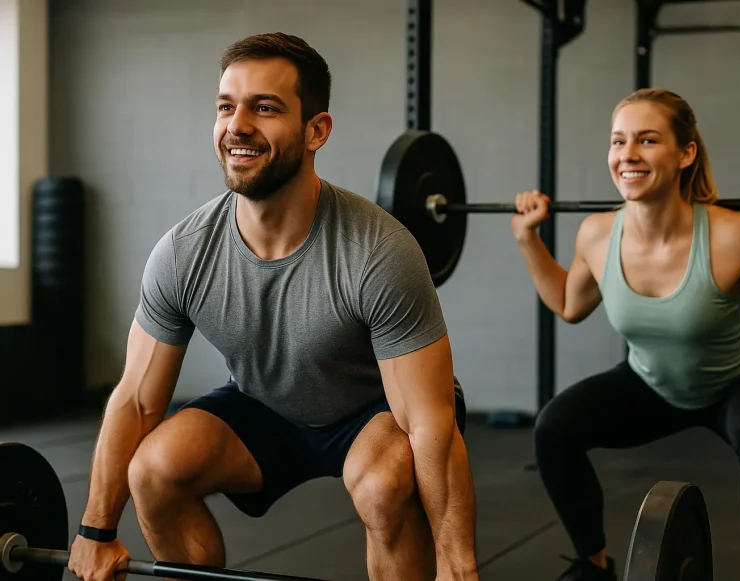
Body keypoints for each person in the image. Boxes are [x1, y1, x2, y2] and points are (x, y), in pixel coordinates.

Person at [66, 32, 478, 581]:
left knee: (386, 487)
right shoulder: (185, 253)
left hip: (373, 414)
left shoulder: (379, 251)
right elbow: (137, 401)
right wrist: (95, 532)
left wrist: (460, 567)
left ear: (316, 131)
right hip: (264, 405)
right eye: (225, 107)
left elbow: (429, 423)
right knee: (153, 470)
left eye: (264, 107)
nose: (237, 125)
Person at [511, 88, 740, 581]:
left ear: (685, 153)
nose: (627, 155)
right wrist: (528, 238)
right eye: (618, 141)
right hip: (653, 383)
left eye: (647, 140)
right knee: (554, 429)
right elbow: (568, 305)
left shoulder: (735, 235)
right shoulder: (598, 235)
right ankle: (593, 564)